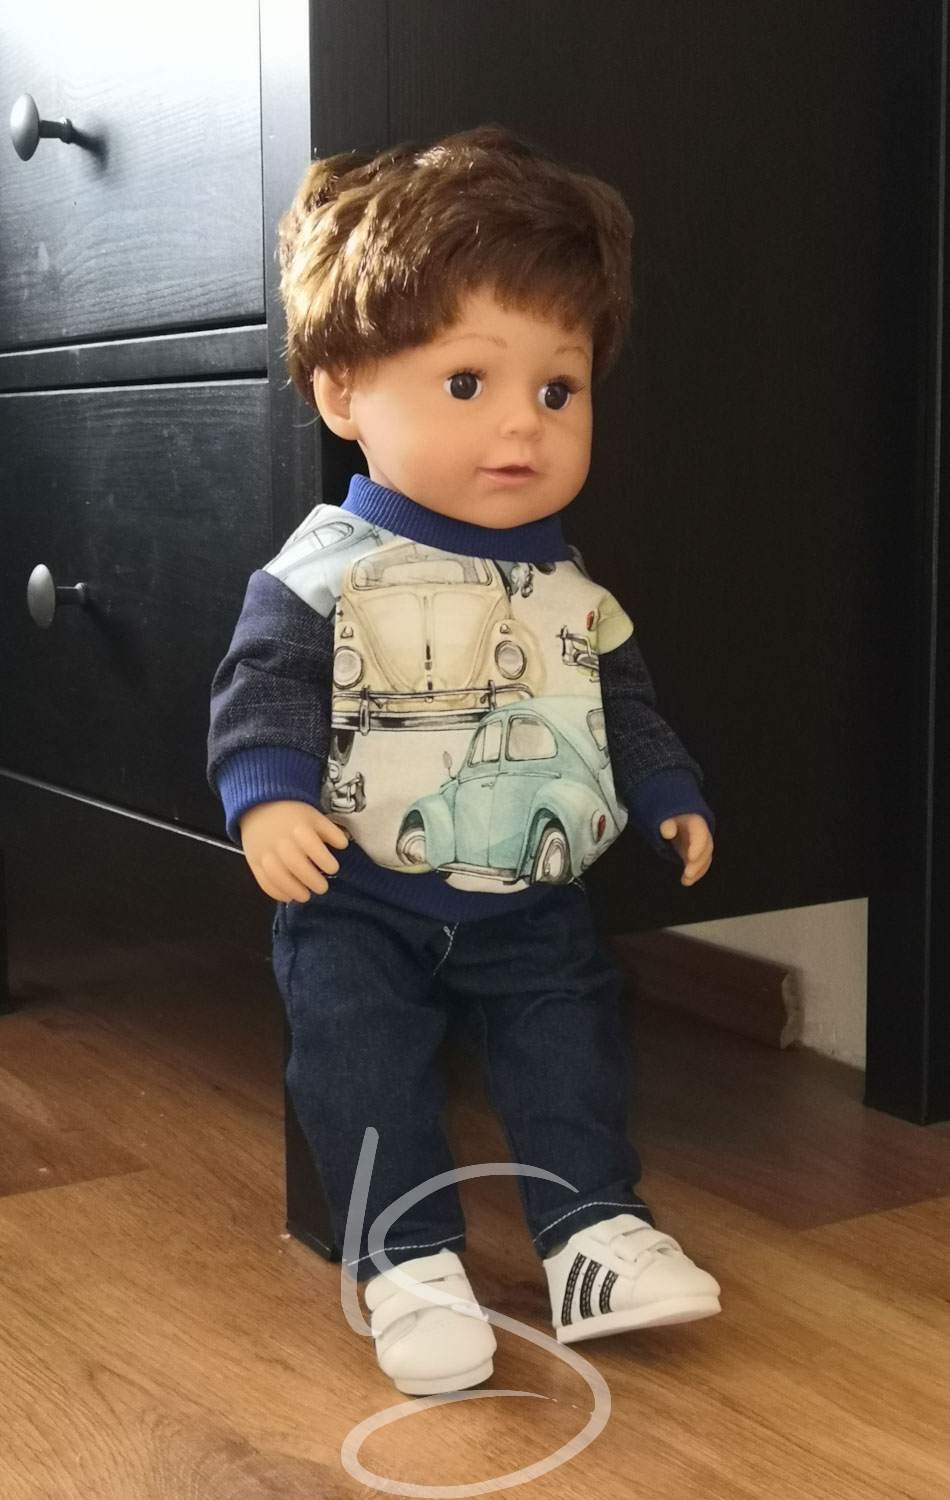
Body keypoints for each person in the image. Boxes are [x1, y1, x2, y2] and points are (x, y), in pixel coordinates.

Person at [206, 122, 721, 1398]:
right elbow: (261, 691)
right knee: (359, 1063)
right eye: (464, 383)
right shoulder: (326, 569)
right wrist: (266, 800)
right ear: (342, 393)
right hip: (356, 897)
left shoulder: (568, 583)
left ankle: (590, 1228)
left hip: (530, 892)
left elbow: (618, 700)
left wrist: (665, 791)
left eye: (557, 391)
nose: (519, 429)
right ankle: (407, 1262)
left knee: (569, 1045)